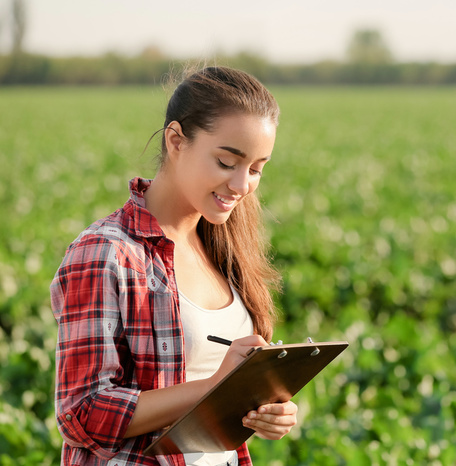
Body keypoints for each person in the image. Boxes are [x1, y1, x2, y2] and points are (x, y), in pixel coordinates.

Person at [51, 66, 298, 466]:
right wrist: (215, 386)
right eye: (226, 162)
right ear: (176, 140)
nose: (241, 185)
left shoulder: (226, 247)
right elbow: (81, 413)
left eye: (255, 169)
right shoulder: (105, 253)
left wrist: (265, 409)